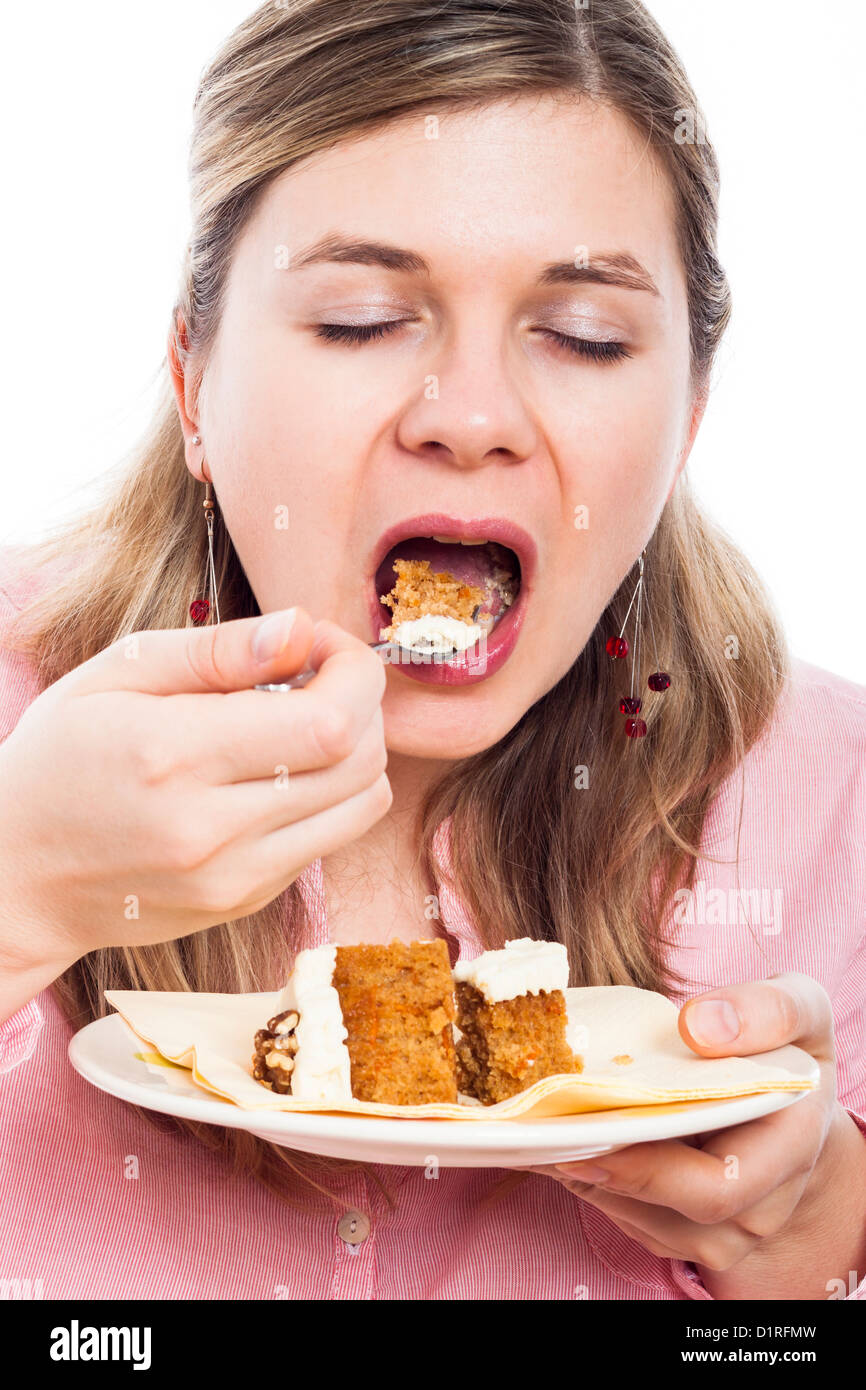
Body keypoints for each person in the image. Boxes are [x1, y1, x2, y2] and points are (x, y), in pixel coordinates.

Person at [1, 0, 864, 1301]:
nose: (469, 417)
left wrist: (822, 1238)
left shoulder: (832, 797)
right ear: (192, 379)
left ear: (687, 412)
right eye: (358, 318)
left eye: (582, 335)